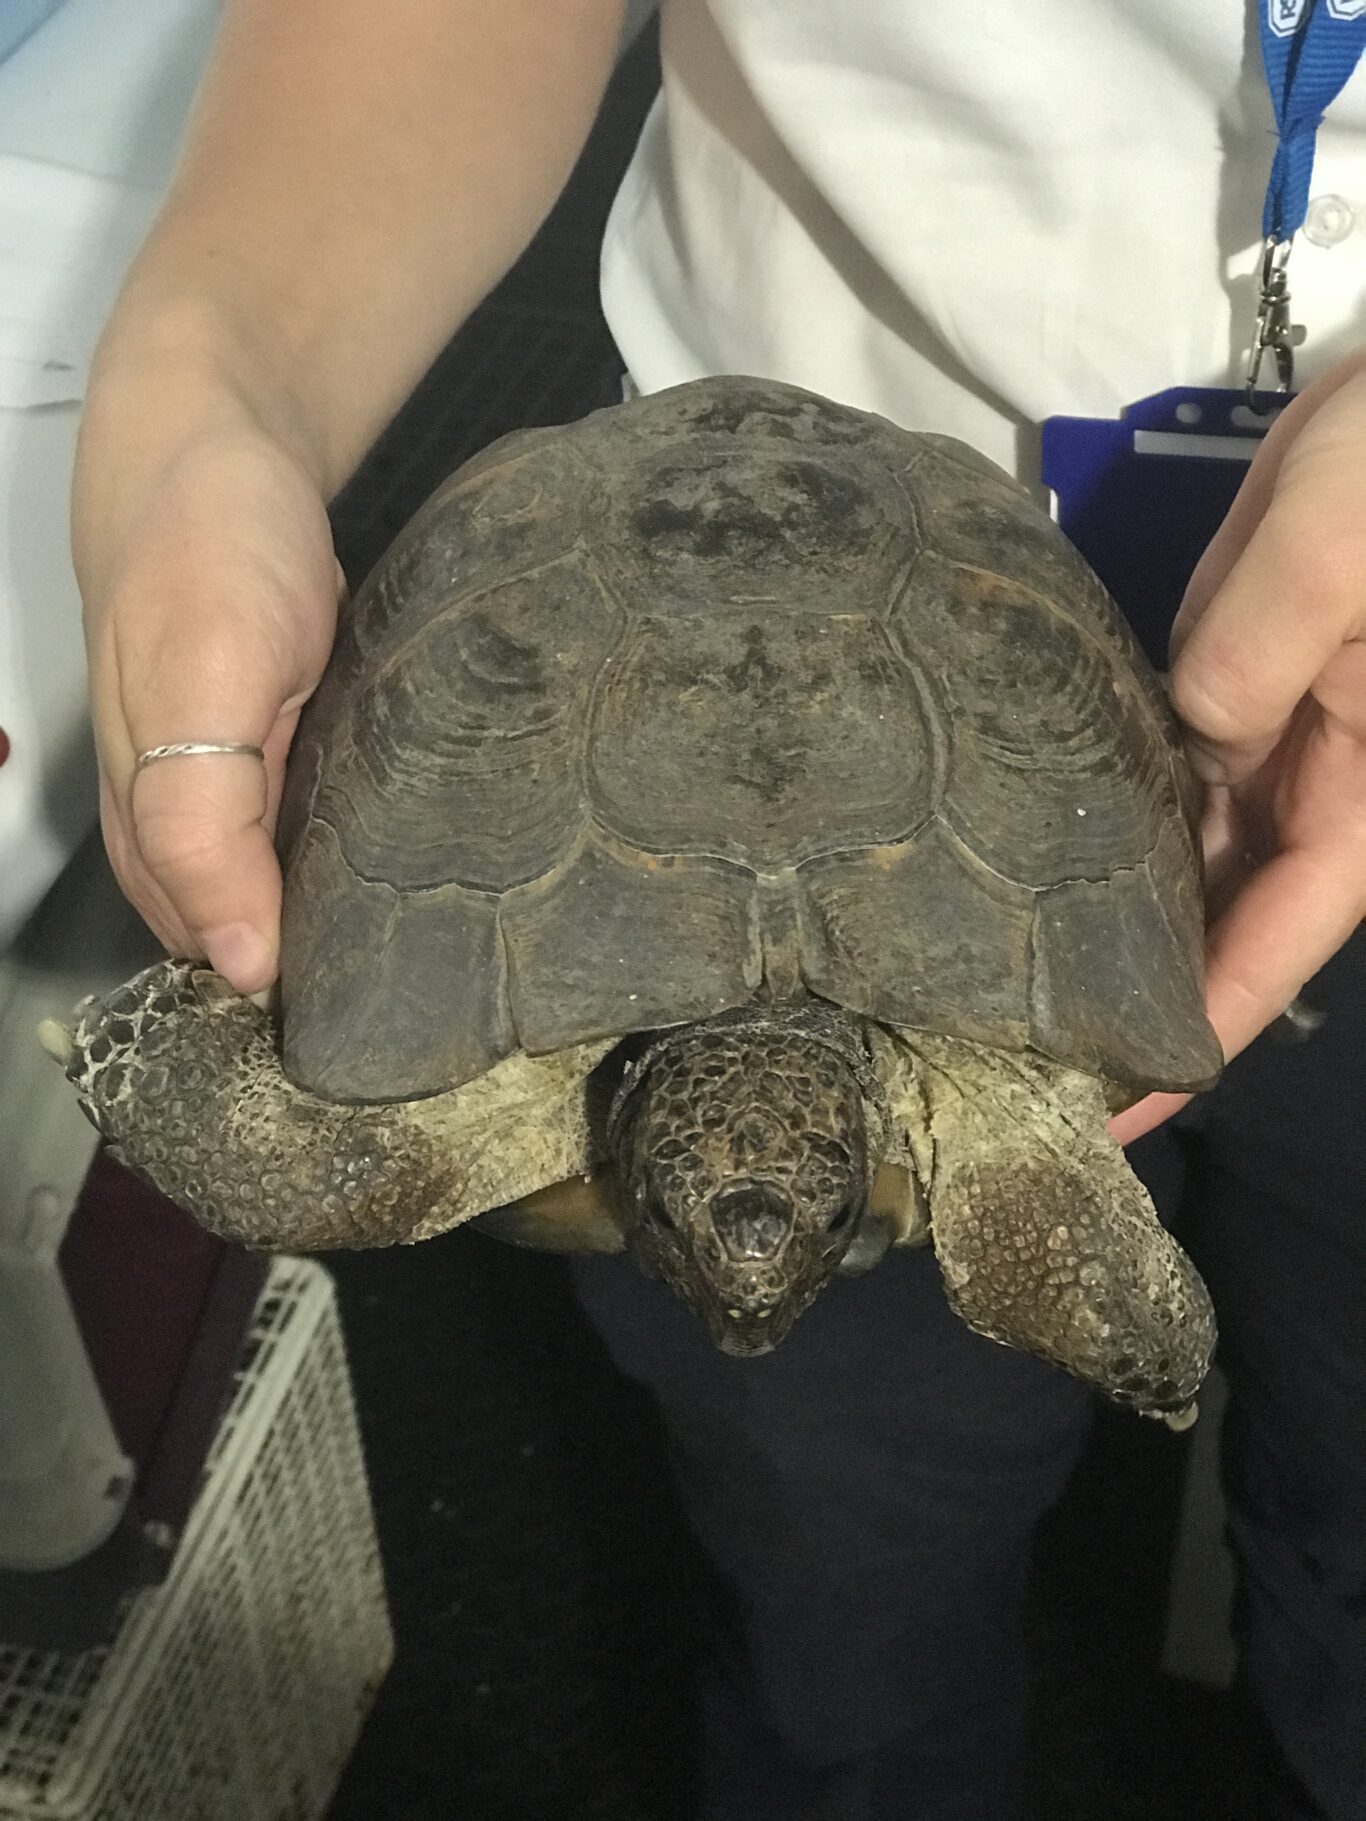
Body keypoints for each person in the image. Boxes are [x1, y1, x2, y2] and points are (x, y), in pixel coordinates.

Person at [71, 3, 1365, 1816]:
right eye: (741, 1214)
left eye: (724, 1213)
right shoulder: (608, 1102)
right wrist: (204, 378)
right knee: (837, 1570)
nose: (749, 1260)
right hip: (714, 469)